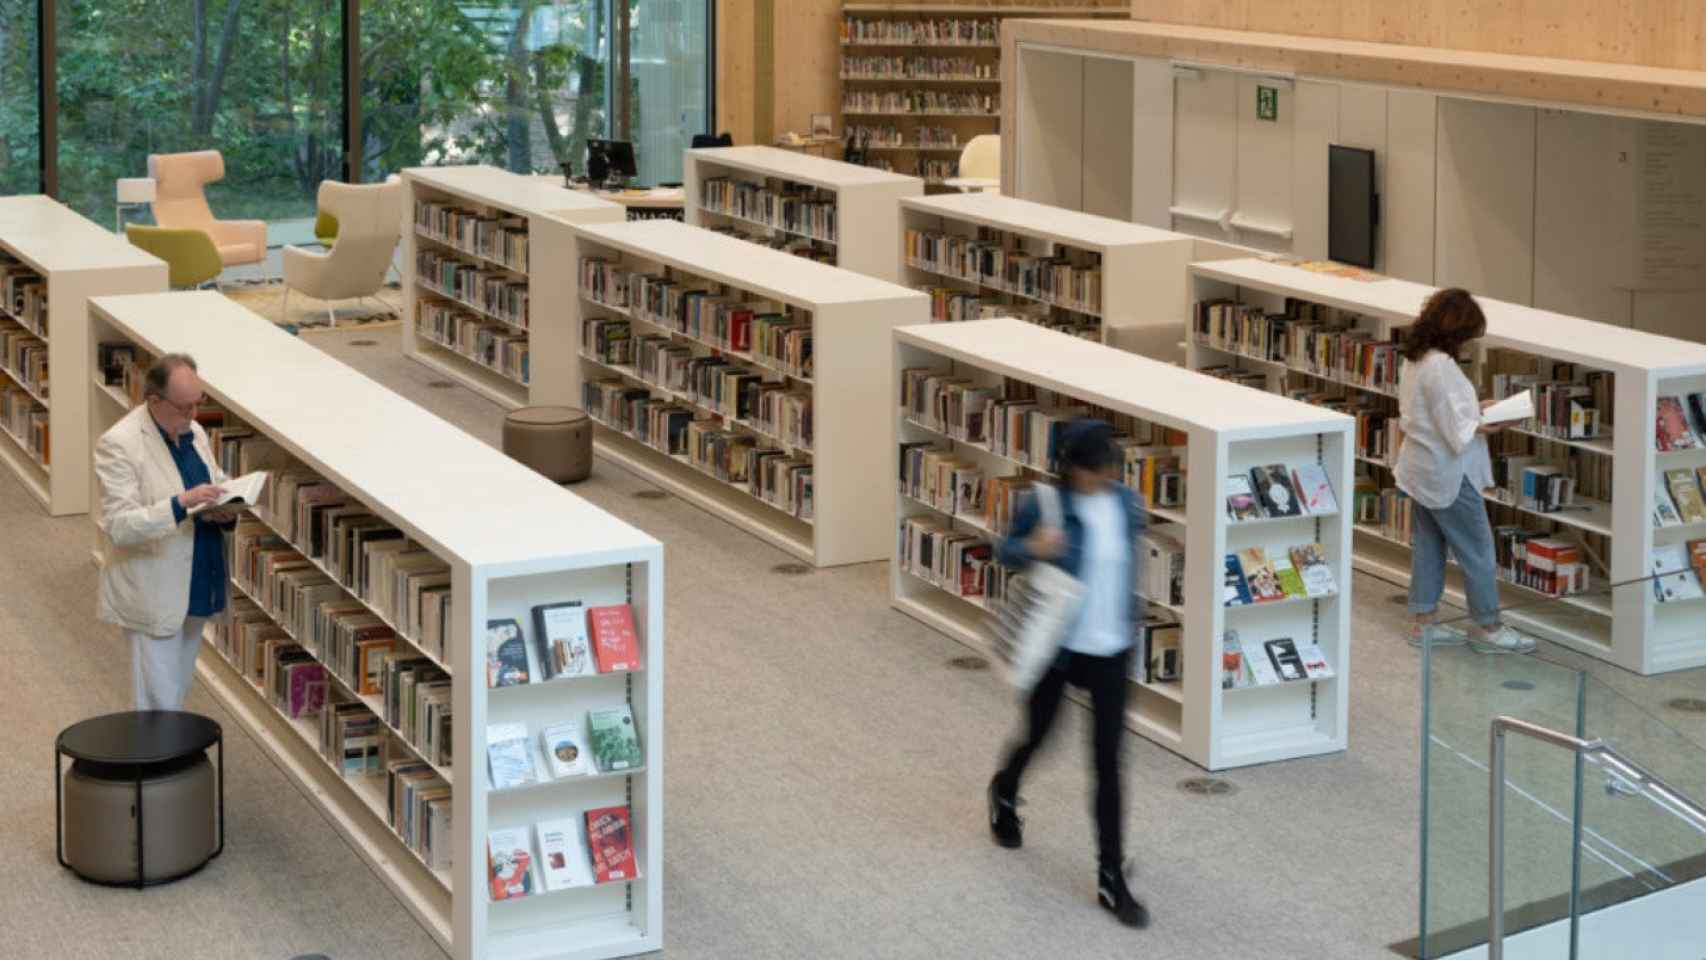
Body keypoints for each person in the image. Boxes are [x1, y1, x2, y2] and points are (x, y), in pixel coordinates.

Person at [987, 417, 1150, 929]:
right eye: (1093, 469)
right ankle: (1005, 788)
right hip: (1058, 650)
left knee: (1107, 763)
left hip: (1112, 650)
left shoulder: (1125, 503)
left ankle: (1109, 876)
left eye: (1109, 467)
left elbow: (1127, 567)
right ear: (1071, 468)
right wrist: (1033, 548)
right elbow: (1003, 550)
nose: (1103, 477)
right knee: (1040, 735)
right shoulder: (1044, 504)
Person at [1393, 288, 1535, 654]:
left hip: (1421, 469)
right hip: (1447, 474)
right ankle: (1488, 627)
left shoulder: (1416, 358)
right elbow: (1459, 430)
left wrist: (1478, 406)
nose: (1469, 345)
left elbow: (1443, 411)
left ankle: (1422, 621)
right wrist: (1495, 420)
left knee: (1429, 545)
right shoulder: (1441, 365)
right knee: (1478, 550)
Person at [94, 353, 239, 710]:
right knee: (157, 700)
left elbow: (214, 481)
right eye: (183, 407)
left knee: (178, 686)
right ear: (155, 400)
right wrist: (180, 504)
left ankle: (170, 758)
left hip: (198, 581)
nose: (192, 416)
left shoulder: (195, 432)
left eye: (197, 404)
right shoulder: (120, 444)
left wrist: (227, 507)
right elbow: (119, 527)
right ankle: (157, 762)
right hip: (154, 588)